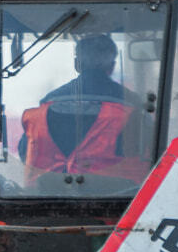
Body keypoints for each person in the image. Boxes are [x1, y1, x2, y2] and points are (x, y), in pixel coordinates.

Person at [18, 34, 144, 180]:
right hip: (123, 198)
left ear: (77, 64)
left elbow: (25, 153)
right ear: (111, 66)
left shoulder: (47, 104)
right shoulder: (132, 104)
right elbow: (149, 154)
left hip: (44, 197)